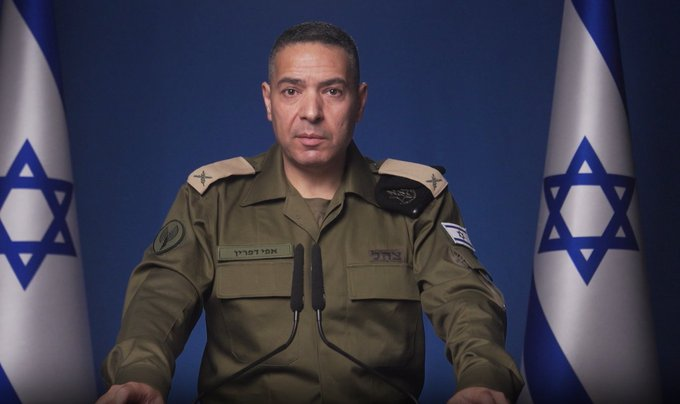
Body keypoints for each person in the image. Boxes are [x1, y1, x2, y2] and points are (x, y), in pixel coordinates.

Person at [96, 21, 523, 404]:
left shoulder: (416, 199)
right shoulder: (212, 198)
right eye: (291, 91)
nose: (312, 112)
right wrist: (140, 374)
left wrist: (482, 378)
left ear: (359, 102)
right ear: (268, 100)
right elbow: (161, 297)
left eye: (332, 91)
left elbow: (463, 297)